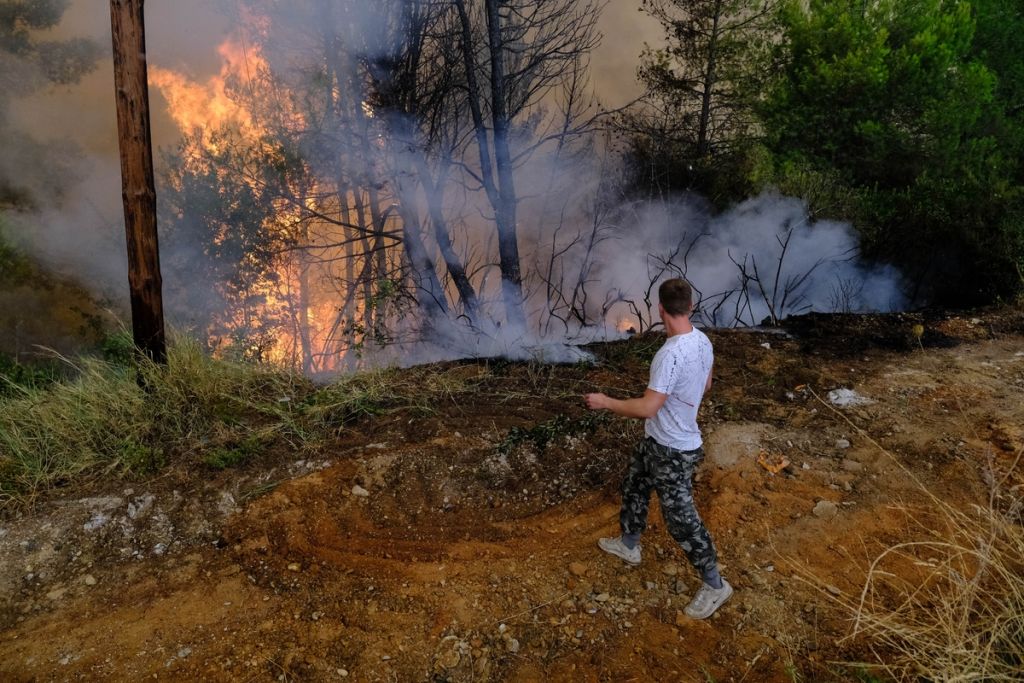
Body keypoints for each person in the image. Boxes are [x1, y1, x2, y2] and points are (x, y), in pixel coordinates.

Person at [584, 278, 731, 620]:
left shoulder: (669, 355)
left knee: (681, 520)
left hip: (674, 451)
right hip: (657, 441)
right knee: (635, 485)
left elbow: (648, 407)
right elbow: (706, 385)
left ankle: (715, 584)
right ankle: (629, 545)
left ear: (660, 309)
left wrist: (606, 401)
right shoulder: (703, 341)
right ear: (690, 307)